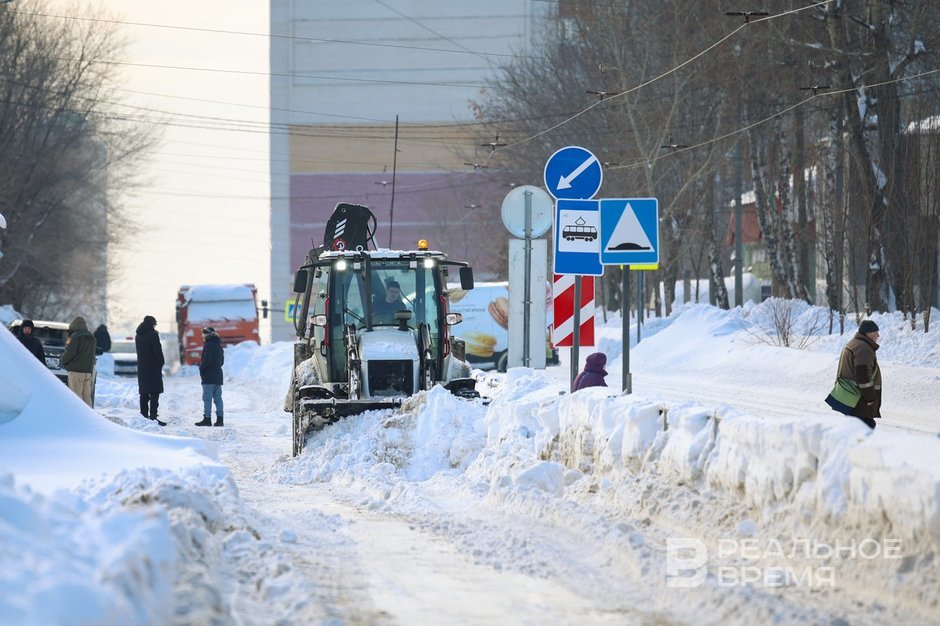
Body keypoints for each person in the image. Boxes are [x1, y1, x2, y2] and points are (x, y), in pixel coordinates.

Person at [825, 319, 881, 429]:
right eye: (876, 332)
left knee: (855, 427)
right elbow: (863, 376)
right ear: (868, 333)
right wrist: (870, 398)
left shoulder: (854, 343)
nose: (878, 335)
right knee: (865, 428)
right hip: (858, 398)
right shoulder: (863, 348)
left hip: (851, 396)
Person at [135, 315, 166, 426]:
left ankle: (143, 416)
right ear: (152, 324)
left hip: (142, 367)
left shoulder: (138, 335)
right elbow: (157, 350)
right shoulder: (153, 335)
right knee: (154, 392)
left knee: (144, 392)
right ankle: (153, 416)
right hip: (153, 367)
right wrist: (161, 362)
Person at [61, 316, 97, 406]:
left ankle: (78, 418)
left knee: (76, 398)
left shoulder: (75, 337)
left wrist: (62, 362)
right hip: (87, 372)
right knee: (86, 397)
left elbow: (69, 352)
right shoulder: (92, 337)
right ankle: (89, 416)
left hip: (76, 372)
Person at [195, 326, 224, 427]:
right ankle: (220, 420)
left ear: (206, 335)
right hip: (218, 376)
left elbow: (207, 360)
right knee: (218, 398)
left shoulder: (208, 345)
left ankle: (207, 419)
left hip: (208, 376)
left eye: (203, 334)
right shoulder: (218, 345)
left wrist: (201, 368)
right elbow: (221, 362)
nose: (202, 336)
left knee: (207, 399)